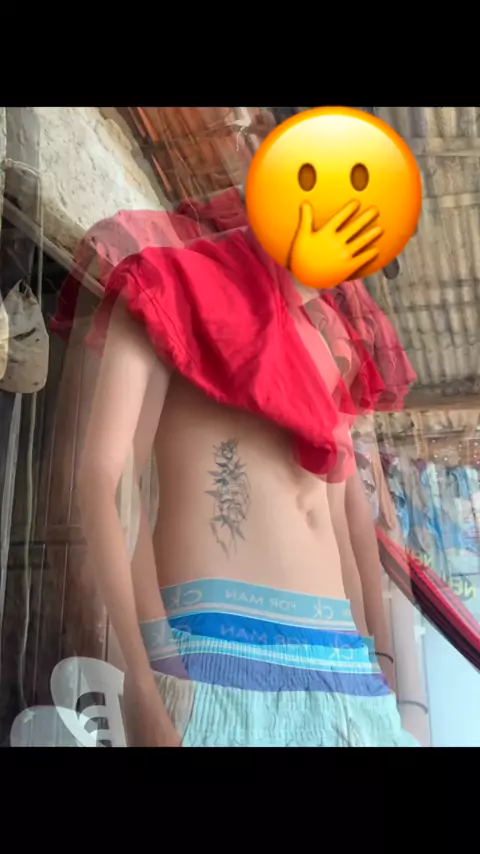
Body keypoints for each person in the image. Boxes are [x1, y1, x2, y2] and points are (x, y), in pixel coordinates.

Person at [75, 192, 421, 747]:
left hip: (346, 672)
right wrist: (144, 676)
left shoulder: (328, 344)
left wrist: (374, 666)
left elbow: (335, 519)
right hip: (216, 662)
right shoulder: (168, 285)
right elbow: (110, 482)